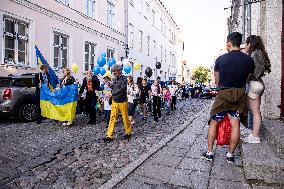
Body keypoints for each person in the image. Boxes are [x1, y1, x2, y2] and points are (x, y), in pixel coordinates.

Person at [202, 32, 254, 164]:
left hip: (223, 94)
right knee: (235, 123)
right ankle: (230, 154)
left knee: (214, 122)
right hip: (240, 94)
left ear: (229, 43)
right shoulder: (249, 60)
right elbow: (248, 78)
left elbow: (217, 80)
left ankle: (209, 152)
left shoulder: (220, 59)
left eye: (226, 43)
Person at [242, 35, 271, 144]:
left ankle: (255, 136)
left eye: (246, 43)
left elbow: (258, 69)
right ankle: (253, 133)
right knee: (253, 110)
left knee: (255, 111)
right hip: (255, 84)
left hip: (254, 84)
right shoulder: (258, 53)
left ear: (250, 43)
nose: (245, 45)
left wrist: (250, 77)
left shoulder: (256, 53)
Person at [104, 65, 132, 142]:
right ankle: (109, 136)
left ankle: (128, 132)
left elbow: (122, 89)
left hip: (122, 101)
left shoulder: (124, 79)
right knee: (112, 118)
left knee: (125, 118)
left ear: (119, 71)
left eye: (115, 71)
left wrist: (111, 94)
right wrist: (111, 85)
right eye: (113, 71)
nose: (113, 72)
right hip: (115, 101)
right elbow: (114, 88)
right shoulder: (114, 79)